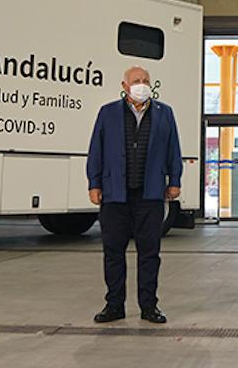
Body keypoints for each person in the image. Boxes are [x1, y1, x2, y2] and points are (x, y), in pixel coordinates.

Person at [87, 65, 182, 324]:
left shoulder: (165, 113)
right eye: (137, 81)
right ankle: (114, 305)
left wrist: (175, 180)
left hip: (150, 195)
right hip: (115, 195)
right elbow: (96, 149)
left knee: (149, 253)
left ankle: (149, 306)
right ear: (125, 86)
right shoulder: (107, 113)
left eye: (146, 80)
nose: (142, 84)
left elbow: (174, 149)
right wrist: (94, 183)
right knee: (113, 252)